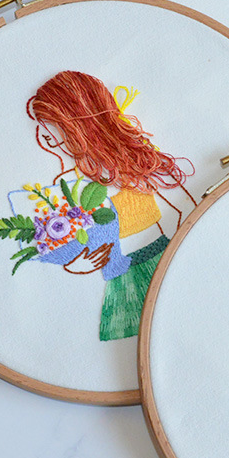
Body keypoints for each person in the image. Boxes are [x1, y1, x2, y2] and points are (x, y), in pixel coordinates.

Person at [26, 70, 195, 340]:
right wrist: (83, 261)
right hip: (120, 278)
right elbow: (74, 249)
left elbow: (182, 211)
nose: (44, 134)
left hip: (162, 259)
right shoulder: (68, 184)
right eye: (42, 125)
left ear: (80, 122)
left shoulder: (131, 159)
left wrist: (181, 254)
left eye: (53, 124)